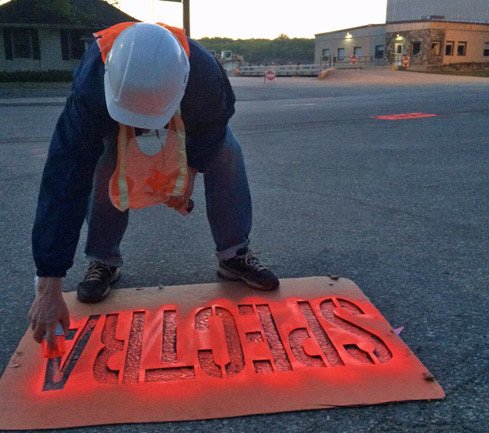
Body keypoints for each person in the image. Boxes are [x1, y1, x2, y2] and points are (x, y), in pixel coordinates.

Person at [29, 22, 279, 348]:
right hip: (111, 110)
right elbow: (65, 179)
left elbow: (213, 128)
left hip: (181, 105)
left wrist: (189, 170)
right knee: (105, 165)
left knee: (227, 154)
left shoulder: (205, 76)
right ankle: (102, 261)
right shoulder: (91, 86)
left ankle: (234, 255)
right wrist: (49, 285)